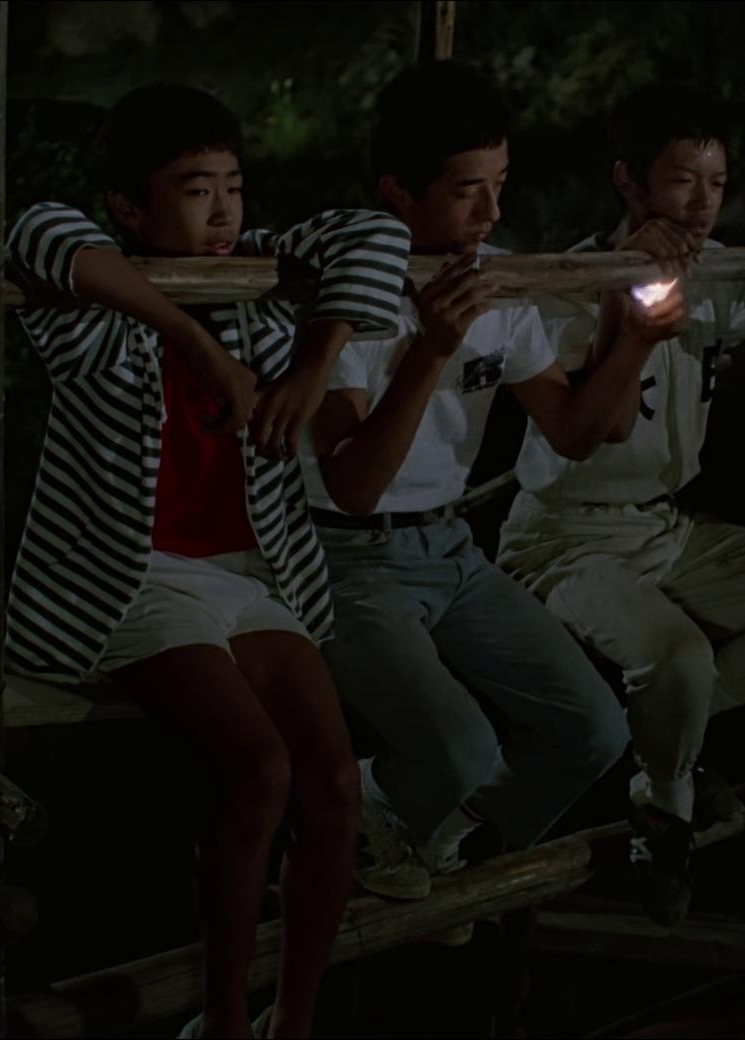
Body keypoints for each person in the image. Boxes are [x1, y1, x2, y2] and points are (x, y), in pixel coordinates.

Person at [5, 82, 410, 1038]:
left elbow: (375, 234)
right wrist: (191, 337)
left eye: (232, 186)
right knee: (258, 769)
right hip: (135, 577)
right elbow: (35, 228)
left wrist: (313, 363)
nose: (224, 211)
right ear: (131, 208)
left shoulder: (259, 288)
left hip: (250, 573)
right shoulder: (92, 315)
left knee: (334, 785)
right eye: (195, 191)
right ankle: (224, 1021)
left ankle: (292, 1023)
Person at [496, 82, 745, 927]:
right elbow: (585, 432)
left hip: (665, 523)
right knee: (679, 657)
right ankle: (664, 810)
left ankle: (671, 739)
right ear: (628, 180)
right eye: (680, 180)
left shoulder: (718, 270)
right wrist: (624, 305)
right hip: (565, 534)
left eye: (717, 183)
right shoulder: (569, 284)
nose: (702, 204)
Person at [300, 62, 661, 922]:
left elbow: (572, 431)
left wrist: (639, 338)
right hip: (345, 554)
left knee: (596, 729)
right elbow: (353, 484)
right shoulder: (345, 292)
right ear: (398, 189)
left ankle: (436, 832)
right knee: (462, 746)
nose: (492, 212)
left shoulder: (496, 283)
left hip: (452, 546)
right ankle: (377, 807)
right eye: (468, 191)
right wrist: (429, 351)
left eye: (500, 184)